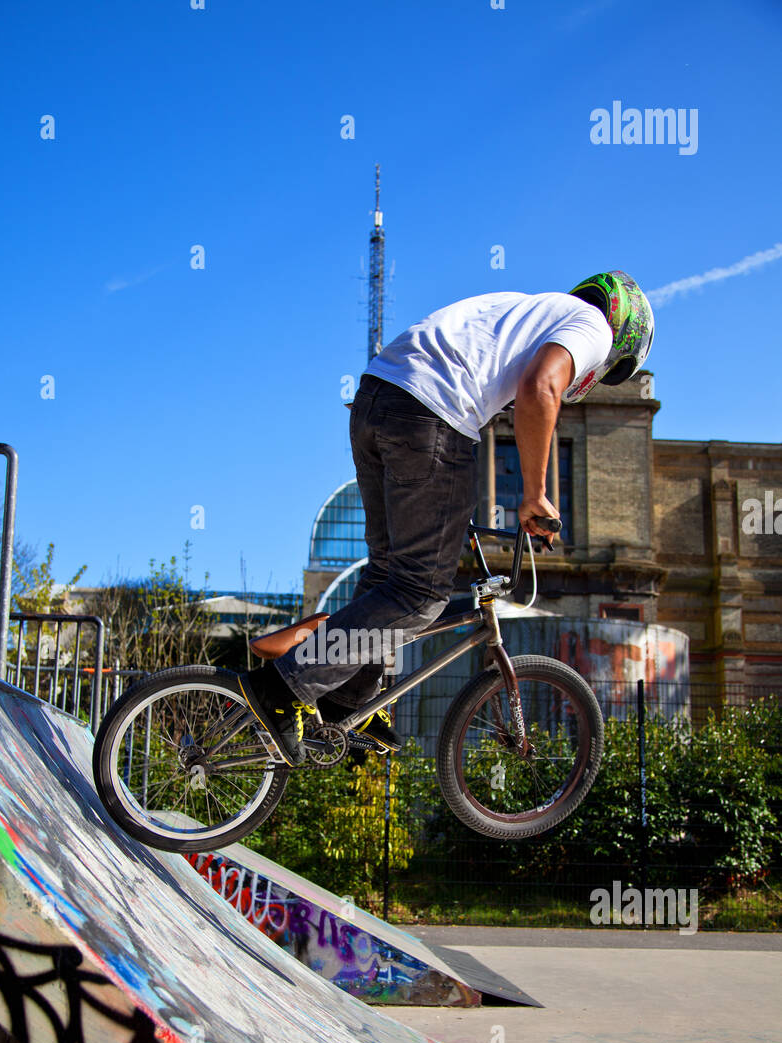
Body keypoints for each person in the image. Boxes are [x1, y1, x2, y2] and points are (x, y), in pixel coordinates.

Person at [240, 271, 655, 765]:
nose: (598, 371)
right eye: (611, 369)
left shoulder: (523, 311)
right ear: (624, 335)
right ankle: (285, 686)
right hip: (430, 414)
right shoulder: (593, 327)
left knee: (388, 575)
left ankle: (347, 697)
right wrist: (536, 494)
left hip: (377, 400)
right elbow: (540, 387)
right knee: (420, 596)